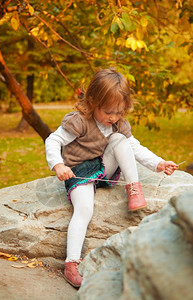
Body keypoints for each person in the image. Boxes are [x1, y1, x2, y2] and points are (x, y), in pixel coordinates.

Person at [45, 68, 178, 288]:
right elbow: (53, 140)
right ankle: (71, 263)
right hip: (79, 172)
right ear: (92, 101)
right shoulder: (78, 121)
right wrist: (58, 164)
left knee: (122, 141)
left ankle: (134, 188)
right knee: (85, 209)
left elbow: (135, 147)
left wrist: (158, 163)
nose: (113, 117)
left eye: (119, 112)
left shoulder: (118, 123)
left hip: (104, 168)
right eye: (108, 112)